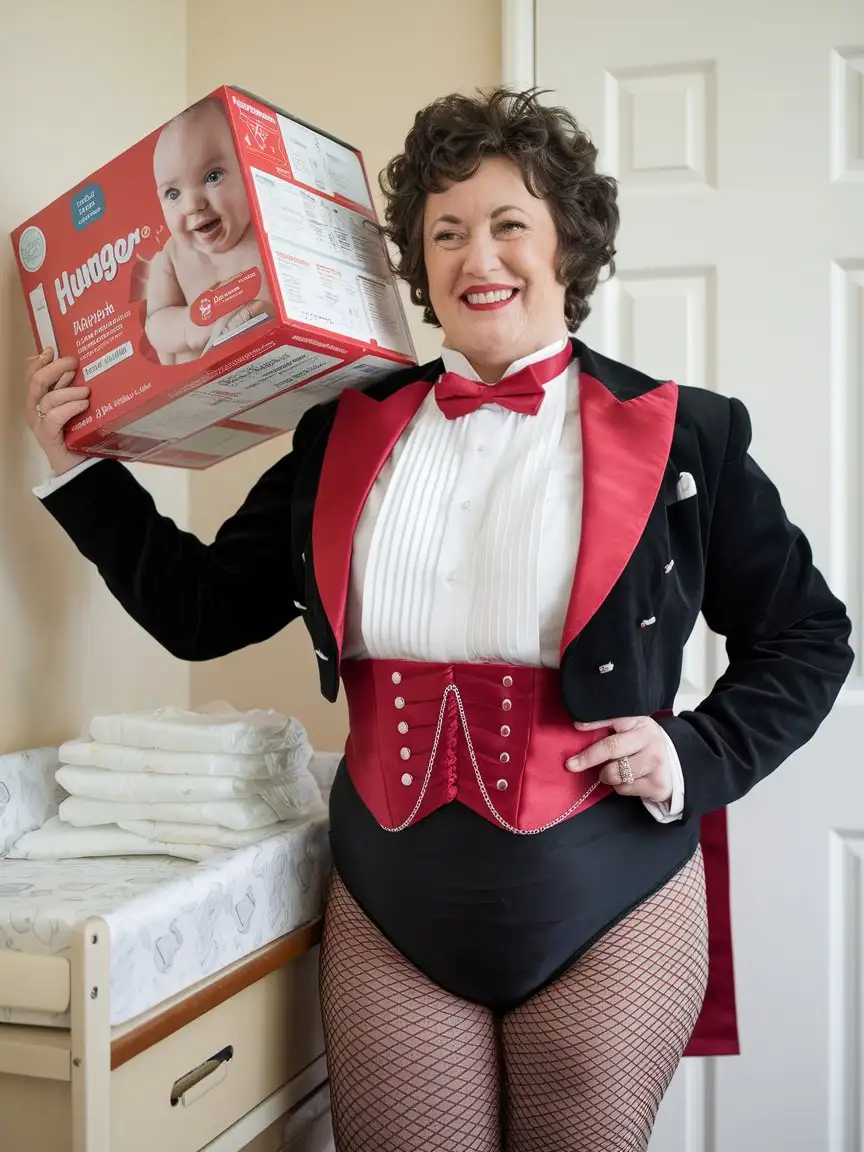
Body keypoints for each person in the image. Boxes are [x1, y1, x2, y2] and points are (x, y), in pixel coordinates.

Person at [25, 88, 853, 1151]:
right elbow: (199, 612)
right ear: (418, 262)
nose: (479, 257)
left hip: (616, 895)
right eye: (446, 232)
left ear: (569, 246)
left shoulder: (687, 435)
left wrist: (698, 748)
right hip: (391, 907)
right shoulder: (340, 432)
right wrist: (79, 473)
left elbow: (807, 638)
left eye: (511, 224)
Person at [146, 96, 272, 364]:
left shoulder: (267, 234)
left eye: (213, 176)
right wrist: (189, 328)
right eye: (173, 193)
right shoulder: (172, 255)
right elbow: (155, 323)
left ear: (247, 170)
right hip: (207, 382)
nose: (192, 205)